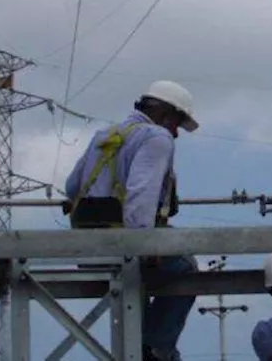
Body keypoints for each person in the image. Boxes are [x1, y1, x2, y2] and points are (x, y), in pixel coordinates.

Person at [64, 80, 200, 361]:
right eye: (177, 124)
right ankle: (155, 349)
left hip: (89, 249)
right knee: (185, 266)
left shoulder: (106, 134)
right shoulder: (156, 137)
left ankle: (147, 347)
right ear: (166, 115)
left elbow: (72, 186)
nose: (176, 133)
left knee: (137, 287)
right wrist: (143, 246)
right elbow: (142, 194)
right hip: (124, 247)